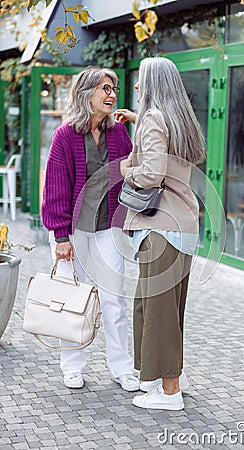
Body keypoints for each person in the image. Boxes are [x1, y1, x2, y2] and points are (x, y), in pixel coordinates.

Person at [41, 67, 140, 392]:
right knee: (71, 300)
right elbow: (55, 187)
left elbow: (132, 176)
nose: (112, 95)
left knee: (113, 300)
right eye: (105, 88)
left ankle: (121, 368)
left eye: (113, 89)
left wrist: (139, 121)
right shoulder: (65, 135)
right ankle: (72, 366)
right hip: (73, 233)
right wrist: (60, 237)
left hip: (108, 230)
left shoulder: (118, 134)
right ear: (87, 94)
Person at [115, 57, 206, 410]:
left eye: (140, 80)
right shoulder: (179, 119)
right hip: (182, 227)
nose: (136, 87)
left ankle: (170, 393)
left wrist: (126, 168)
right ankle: (170, 380)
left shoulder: (155, 119)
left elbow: (151, 173)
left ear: (152, 83)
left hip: (161, 229)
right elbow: (167, 154)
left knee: (157, 310)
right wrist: (139, 122)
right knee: (169, 308)